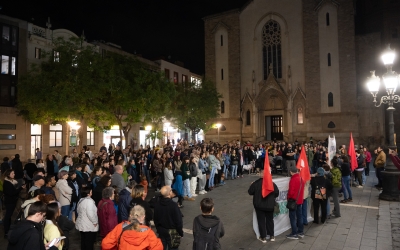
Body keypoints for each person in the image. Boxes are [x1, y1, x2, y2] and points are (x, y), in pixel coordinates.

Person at [248, 170, 279, 242]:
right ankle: (271, 236)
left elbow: (250, 192)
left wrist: (252, 185)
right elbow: (277, 193)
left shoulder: (256, 183)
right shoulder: (272, 183)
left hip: (259, 205)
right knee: (270, 220)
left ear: (261, 175)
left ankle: (263, 237)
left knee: (261, 221)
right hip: (270, 205)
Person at [3, 169, 26, 238]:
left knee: (9, 215)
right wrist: (20, 188)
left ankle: (8, 228)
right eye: (12, 173)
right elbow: (12, 193)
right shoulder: (7, 183)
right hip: (9, 201)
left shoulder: (12, 182)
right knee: (8, 216)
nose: (14, 174)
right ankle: (6, 231)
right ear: (8, 175)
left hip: (12, 201)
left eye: (14, 173)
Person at [286, 165, 305, 240]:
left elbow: (291, 192)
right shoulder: (301, 178)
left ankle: (294, 233)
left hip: (293, 201)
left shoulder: (293, 179)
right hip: (299, 200)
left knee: (292, 217)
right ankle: (301, 232)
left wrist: (288, 197)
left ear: (291, 172)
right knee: (299, 216)